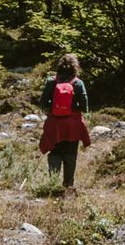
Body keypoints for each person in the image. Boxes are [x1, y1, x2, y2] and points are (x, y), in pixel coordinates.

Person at [37, 52, 91, 193]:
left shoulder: (51, 81)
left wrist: (54, 109)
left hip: (54, 124)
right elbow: (85, 106)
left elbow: (42, 103)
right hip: (72, 125)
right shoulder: (78, 83)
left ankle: (53, 184)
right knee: (70, 155)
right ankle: (68, 185)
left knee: (54, 153)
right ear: (75, 67)